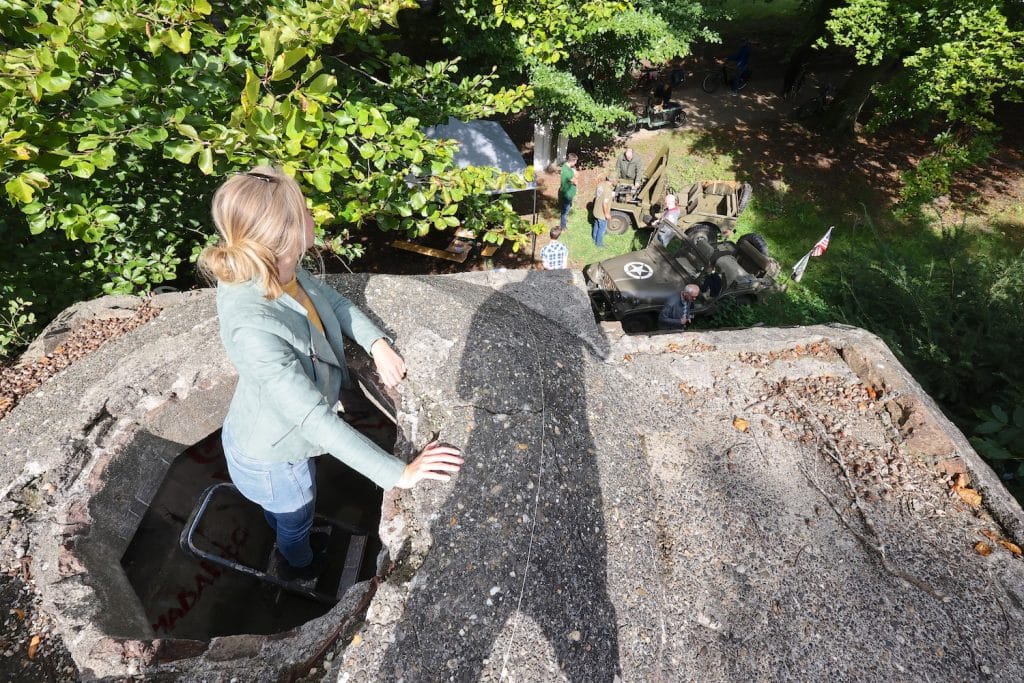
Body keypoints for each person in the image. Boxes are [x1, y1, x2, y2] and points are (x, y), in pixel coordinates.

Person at [197, 166, 464, 580]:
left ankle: (291, 543)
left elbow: (334, 304)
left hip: (266, 433)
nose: (313, 216)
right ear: (283, 234)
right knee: (295, 519)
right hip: (274, 458)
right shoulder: (252, 325)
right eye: (304, 210)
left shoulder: (275, 268)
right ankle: (299, 565)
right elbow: (311, 420)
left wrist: (376, 344)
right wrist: (402, 474)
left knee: (287, 515)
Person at [592, 174, 615, 247]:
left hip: (596, 210)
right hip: (602, 213)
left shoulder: (600, 184)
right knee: (602, 229)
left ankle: (594, 238)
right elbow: (605, 203)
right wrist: (607, 214)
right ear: (612, 181)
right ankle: (599, 244)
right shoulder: (608, 190)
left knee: (596, 225)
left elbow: (597, 195)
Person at [558, 153, 578, 230]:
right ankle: (563, 226)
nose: (576, 163)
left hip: (567, 192)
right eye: (575, 161)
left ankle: (564, 221)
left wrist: (574, 173)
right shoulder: (568, 171)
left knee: (566, 208)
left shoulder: (565, 167)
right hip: (567, 193)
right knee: (565, 210)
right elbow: (576, 181)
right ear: (572, 161)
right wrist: (574, 174)